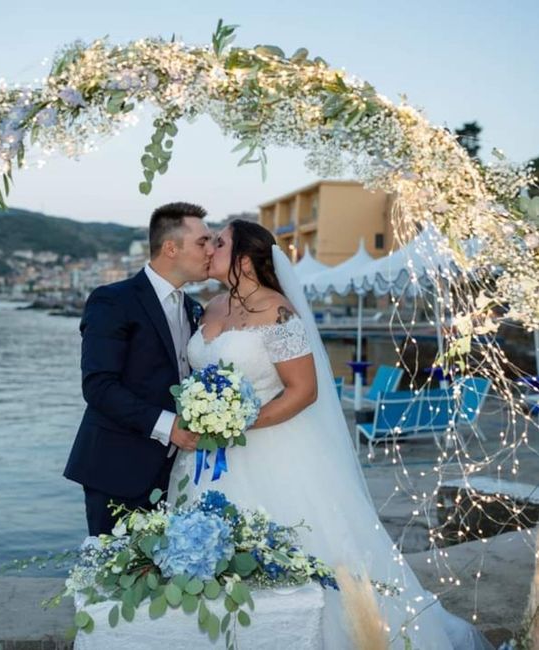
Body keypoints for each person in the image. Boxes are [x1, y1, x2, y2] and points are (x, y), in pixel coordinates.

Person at [168, 220, 492, 650]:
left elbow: (304, 391)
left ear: (245, 258)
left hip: (269, 449)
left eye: (220, 242)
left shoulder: (277, 311)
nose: (209, 248)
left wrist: (237, 425)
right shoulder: (209, 307)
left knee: (295, 556)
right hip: (203, 459)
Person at [64, 202, 214, 535]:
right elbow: (99, 386)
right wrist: (169, 425)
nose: (210, 251)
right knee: (112, 579)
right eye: (202, 242)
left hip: (178, 470)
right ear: (171, 248)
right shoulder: (113, 300)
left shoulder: (193, 308)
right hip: (118, 468)